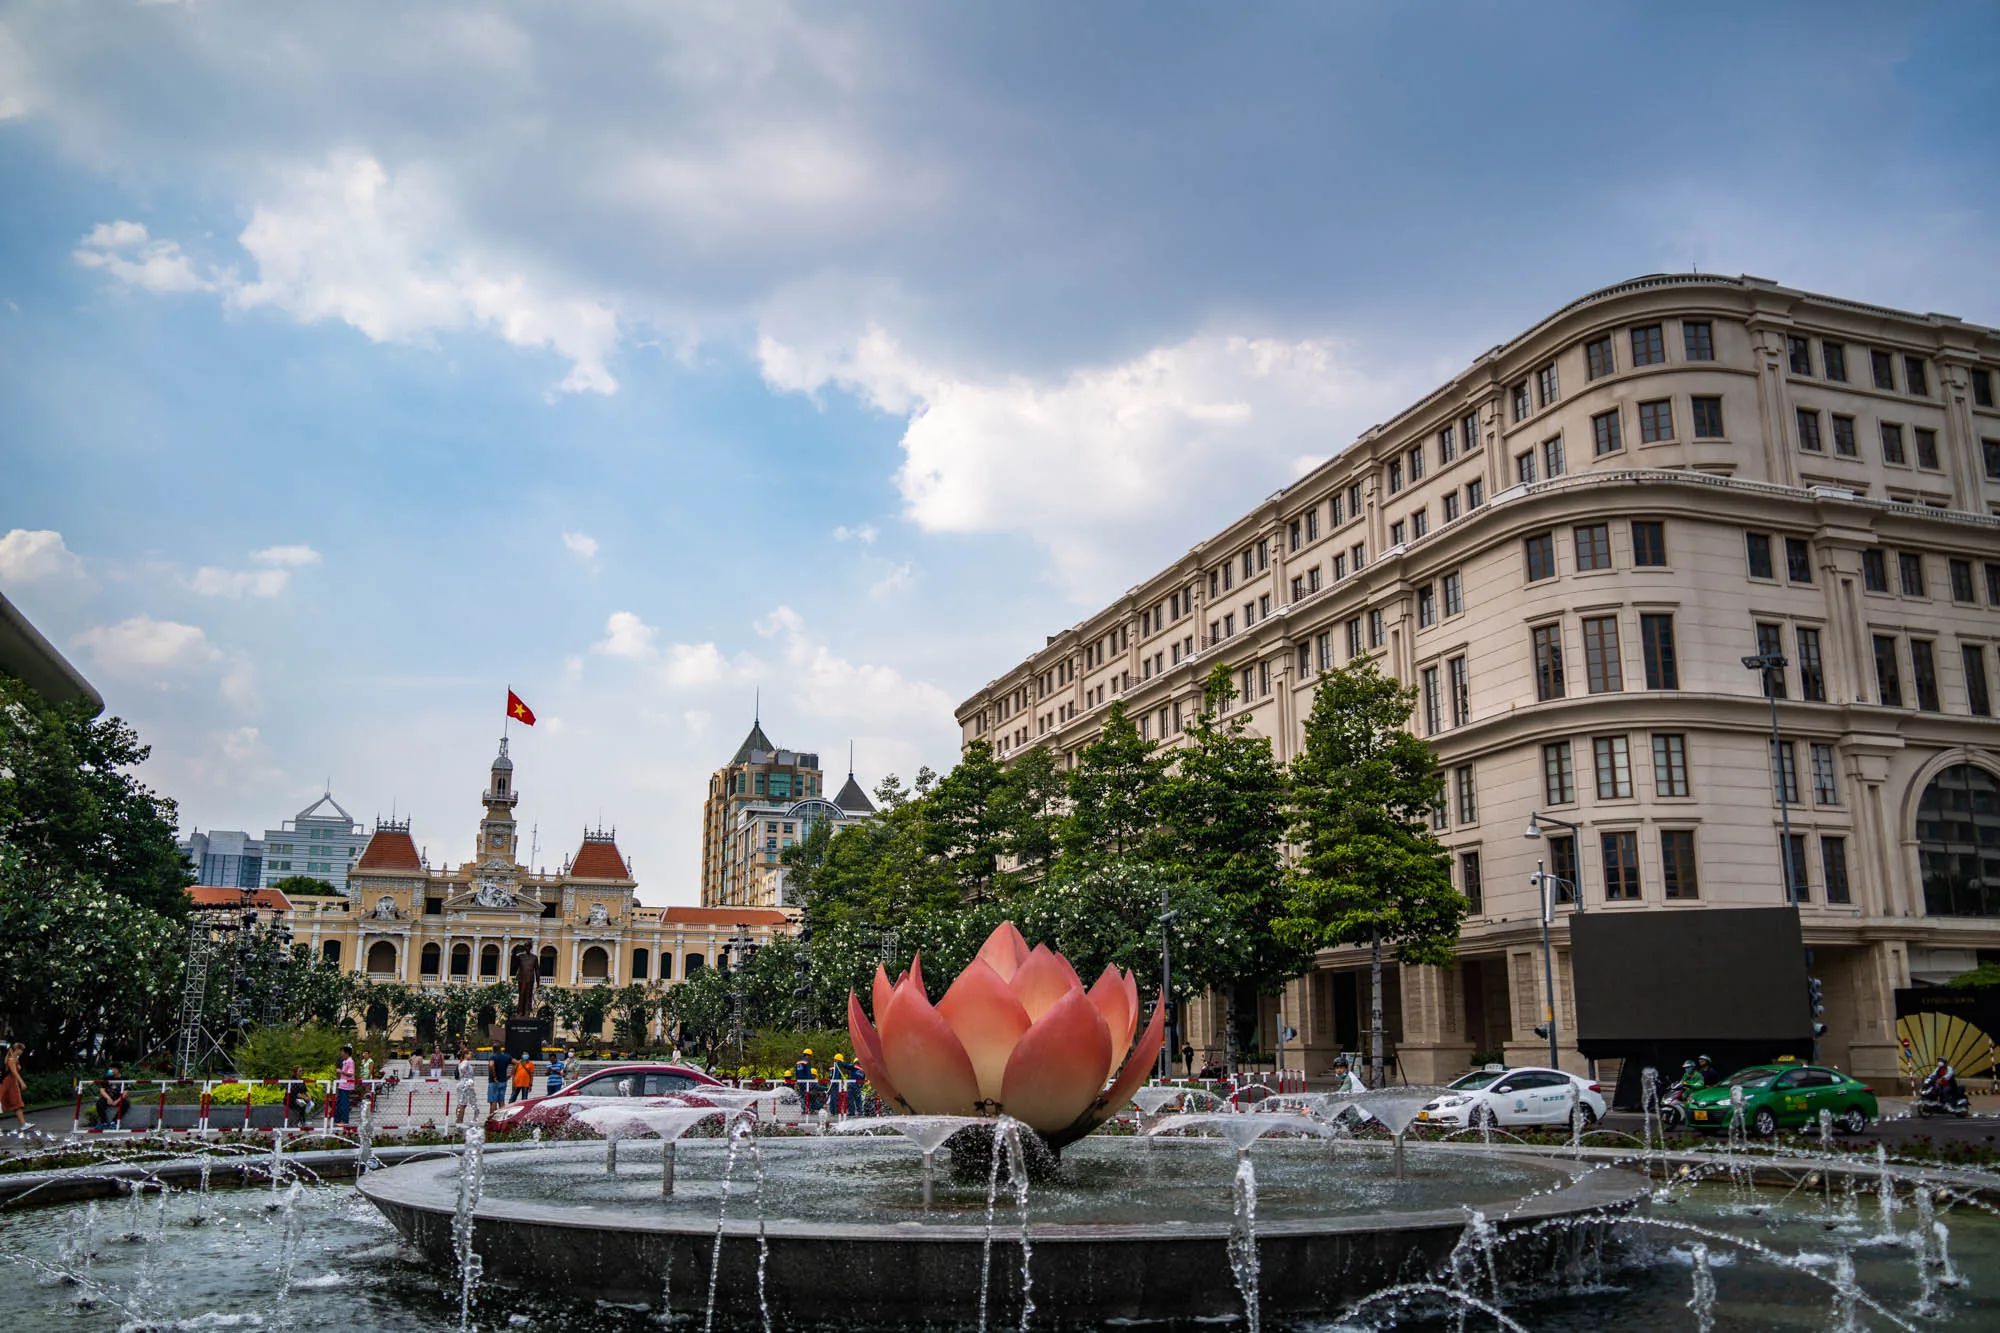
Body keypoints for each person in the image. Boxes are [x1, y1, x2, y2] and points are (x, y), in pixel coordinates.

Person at [335, 1045, 358, 1125]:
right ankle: (337, 1120)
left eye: (342, 1052)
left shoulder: (350, 1062)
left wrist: (340, 1071)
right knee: (339, 1103)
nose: (341, 1054)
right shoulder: (345, 1061)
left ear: (346, 1053)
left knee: (344, 1104)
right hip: (342, 1085)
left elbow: (350, 1074)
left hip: (346, 1086)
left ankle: (344, 1120)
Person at [487, 1047, 513, 1119]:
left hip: (494, 1082)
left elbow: (491, 1065)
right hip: (503, 1081)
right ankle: (502, 1118)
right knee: (501, 1101)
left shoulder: (493, 1057)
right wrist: (511, 1074)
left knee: (493, 1101)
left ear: (493, 1050)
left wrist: (494, 1076)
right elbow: (516, 1063)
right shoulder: (506, 1057)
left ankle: (491, 1119)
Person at [794, 1048, 819, 1112]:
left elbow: (796, 1073)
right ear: (808, 1055)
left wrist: (796, 1081)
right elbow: (808, 1073)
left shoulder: (798, 1062)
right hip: (805, 1081)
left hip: (799, 1082)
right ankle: (809, 1109)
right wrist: (810, 1082)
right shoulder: (806, 1062)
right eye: (810, 1056)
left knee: (801, 1095)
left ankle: (803, 1109)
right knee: (808, 1095)